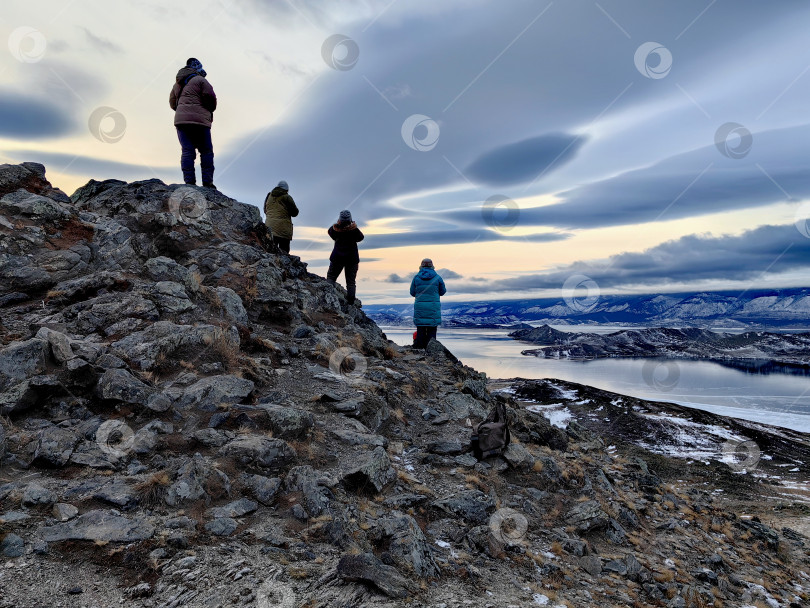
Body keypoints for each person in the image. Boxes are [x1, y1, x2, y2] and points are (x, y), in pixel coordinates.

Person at [169, 58, 217, 188]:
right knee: (206, 151)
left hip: (181, 122)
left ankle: (189, 182)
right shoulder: (201, 80)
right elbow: (211, 98)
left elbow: (173, 103)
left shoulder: (177, 84)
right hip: (200, 123)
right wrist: (206, 110)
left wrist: (183, 111)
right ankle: (207, 183)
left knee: (187, 151)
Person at [326, 210, 364, 306]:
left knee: (331, 277)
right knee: (351, 282)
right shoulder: (354, 230)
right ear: (350, 219)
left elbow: (330, 232)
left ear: (340, 219)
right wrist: (353, 226)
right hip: (352, 259)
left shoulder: (335, 229)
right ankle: (350, 303)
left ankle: (329, 297)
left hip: (337, 258)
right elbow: (360, 237)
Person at [410, 258, 446, 348]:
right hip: (433, 308)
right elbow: (443, 292)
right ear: (432, 266)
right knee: (432, 331)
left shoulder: (416, 278)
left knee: (421, 329)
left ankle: (419, 350)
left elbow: (412, 293)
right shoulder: (438, 277)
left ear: (421, 266)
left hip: (420, 308)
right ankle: (431, 351)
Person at [263, 180, 299, 253]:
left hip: (269, 227)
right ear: (286, 189)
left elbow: (265, 210)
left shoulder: (269, 196)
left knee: (270, 251)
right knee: (284, 252)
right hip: (283, 229)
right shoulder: (287, 197)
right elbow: (295, 213)